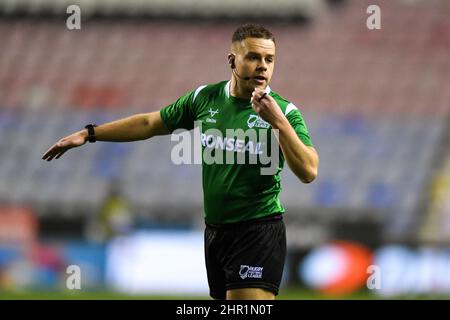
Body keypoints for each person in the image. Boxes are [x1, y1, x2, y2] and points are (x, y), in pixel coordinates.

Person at [42, 23, 319, 300]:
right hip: (216, 232)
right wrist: (89, 133)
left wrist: (278, 123)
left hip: (257, 230)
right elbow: (150, 123)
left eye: (269, 60)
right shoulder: (204, 99)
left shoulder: (284, 111)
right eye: (253, 57)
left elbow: (308, 171)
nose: (262, 66)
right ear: (232, 60)